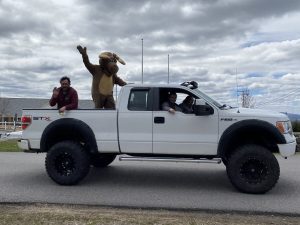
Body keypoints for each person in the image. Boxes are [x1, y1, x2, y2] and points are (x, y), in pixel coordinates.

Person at [77, 45, 127, 109]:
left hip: (109, 95)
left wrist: (125, 84)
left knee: (111, 109)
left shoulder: (112, 73)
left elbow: (117, 80)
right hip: (98, 94)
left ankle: (110, 119)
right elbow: (87, 63)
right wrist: (84, 55)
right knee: (98, 109)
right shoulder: (96, 69)